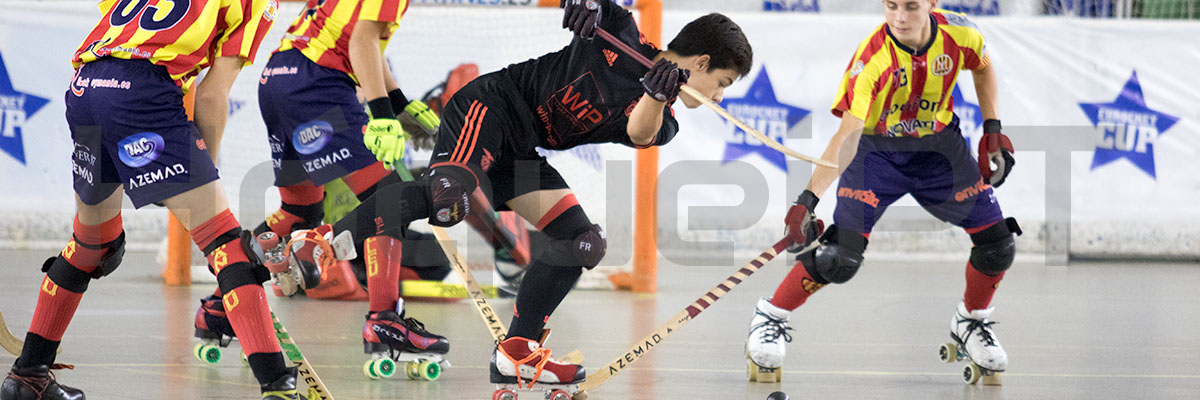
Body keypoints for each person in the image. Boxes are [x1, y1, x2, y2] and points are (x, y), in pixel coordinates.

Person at [288, 0, 754, 385]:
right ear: (701, 63)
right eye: (722, 85)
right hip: (489, 106)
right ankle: (323, 243)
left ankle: (517, 351)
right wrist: (585, 6)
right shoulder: (620, 29)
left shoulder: (665, 117)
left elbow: (639, 131)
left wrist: (655, 93)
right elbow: (594, 5)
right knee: (448, 200)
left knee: (583, 243)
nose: (718, 97)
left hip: (521, 147)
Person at [0, 0, 304, 399]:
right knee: (226, 244)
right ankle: (278, 387)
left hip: (86, 87)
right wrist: (203, 170)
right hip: (142, 92)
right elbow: (213, 96)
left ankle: (27, 377)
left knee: (95, 244)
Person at [745, 0, 1020, 381]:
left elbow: (984, 66)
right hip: (876, 154)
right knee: (838, 258)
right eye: (891, 6)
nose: (900, 18)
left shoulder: (962, 34)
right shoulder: (873, 59)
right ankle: (770, 317)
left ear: (932, 5)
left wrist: (992, 126)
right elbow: (848, 135)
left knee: (997, 244)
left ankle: (971, 322)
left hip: (939, 150)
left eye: (911, 7)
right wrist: (807, 200)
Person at [193, 0, 453, 373]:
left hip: (280, 79)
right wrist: (382, 115)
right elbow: (361, 40)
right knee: (390, 198)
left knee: (299, 209)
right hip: (318, 82)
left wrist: (397, 102)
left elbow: (364, 38)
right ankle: (385, 320)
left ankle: (220, 306)